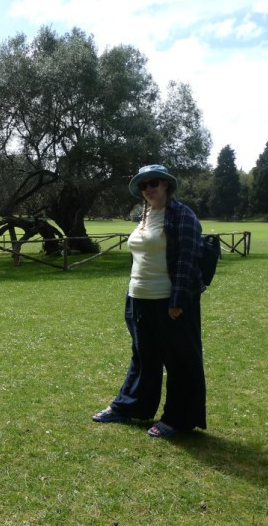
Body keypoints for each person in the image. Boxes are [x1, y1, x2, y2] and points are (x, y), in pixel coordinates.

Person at [92, 164, 207, 438]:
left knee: (180, 361)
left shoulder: (182, 215)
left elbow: (187, 261)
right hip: (139, 298)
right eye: (143, 185)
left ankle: (179, 419)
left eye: (153, 183)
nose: (148, 189)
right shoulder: (143, 216)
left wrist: (178, 300)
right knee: (143, 357)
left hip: (169, 300)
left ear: (166, 184)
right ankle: (130, 406)